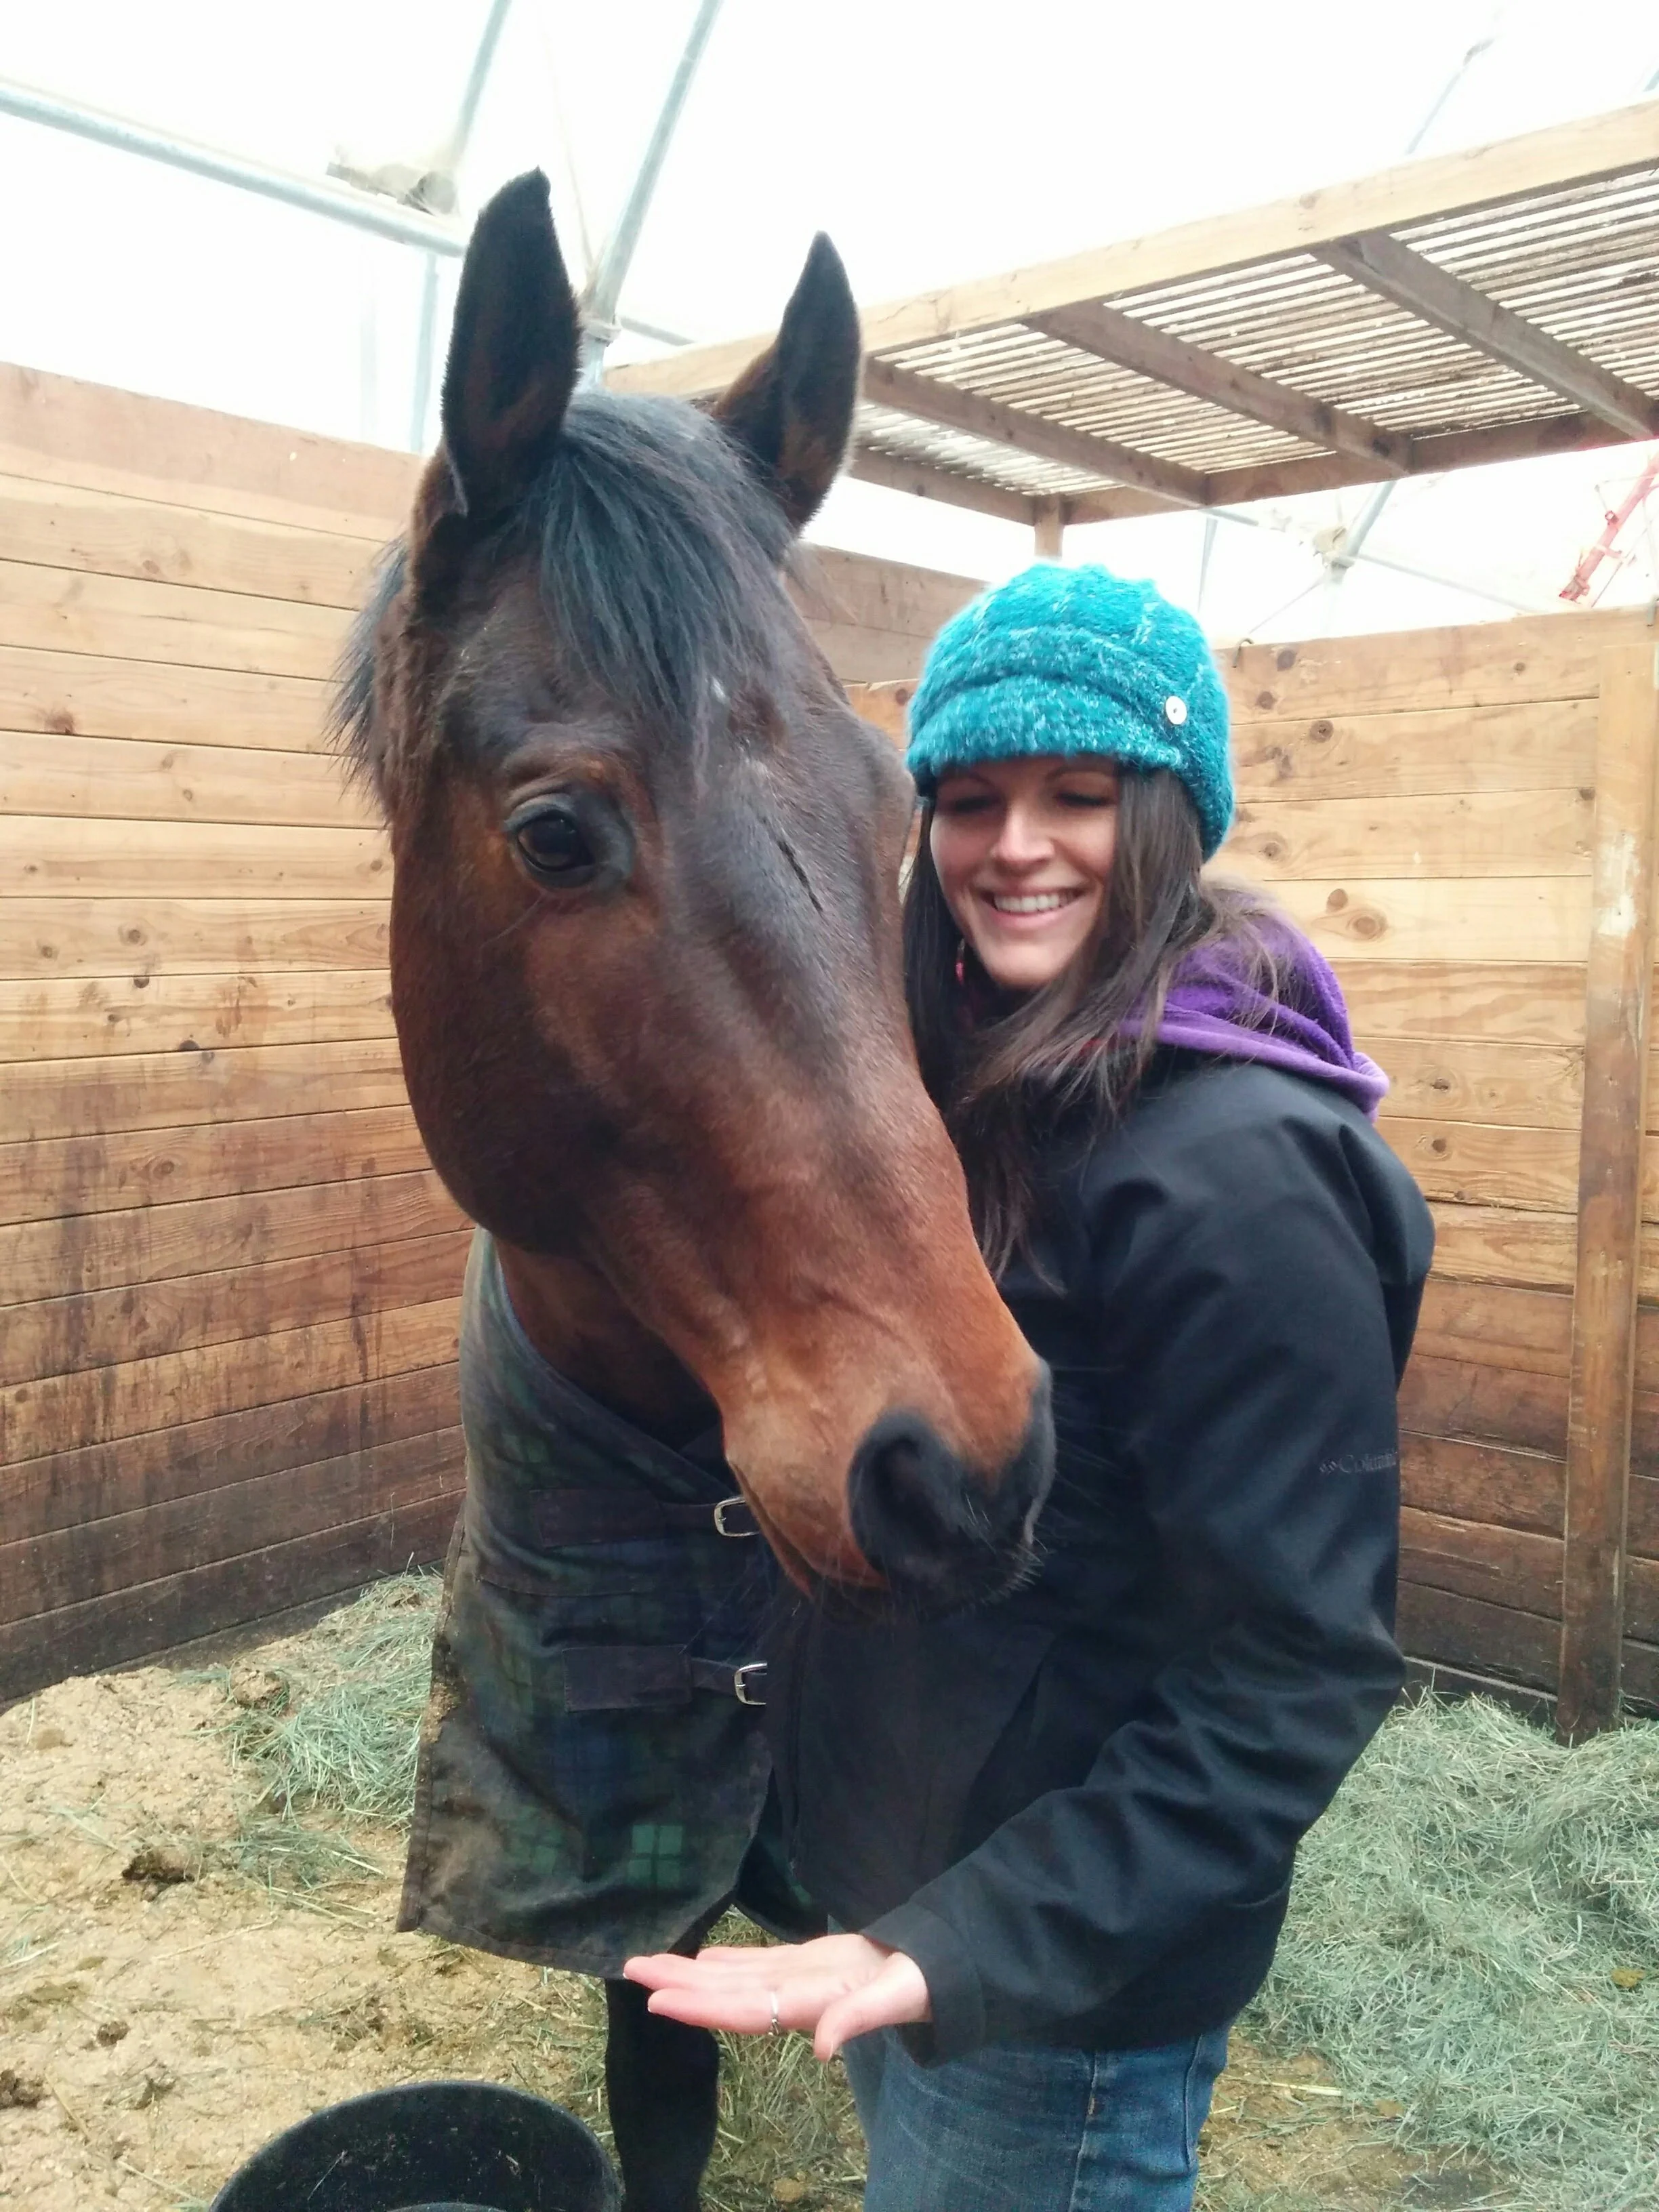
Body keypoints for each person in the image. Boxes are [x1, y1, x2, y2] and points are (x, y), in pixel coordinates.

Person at [628, 564, 1435, 2211]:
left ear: (1171, 815)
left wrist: (960, 1949)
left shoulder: (1241, 1176)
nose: (1016, 846)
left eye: (1081, 795)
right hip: (917, 1913)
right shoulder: (959, 1093)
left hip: (1059, 1989)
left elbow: (1293, 1675)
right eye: (971, 798)